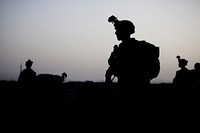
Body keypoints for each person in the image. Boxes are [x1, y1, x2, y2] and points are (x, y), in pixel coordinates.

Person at [107, 15, 160, 101]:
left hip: (131, 89)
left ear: (124, 32)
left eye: (117, 30)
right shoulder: (124, 48)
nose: (115, 33)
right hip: (129, 87)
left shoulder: (132, 48)